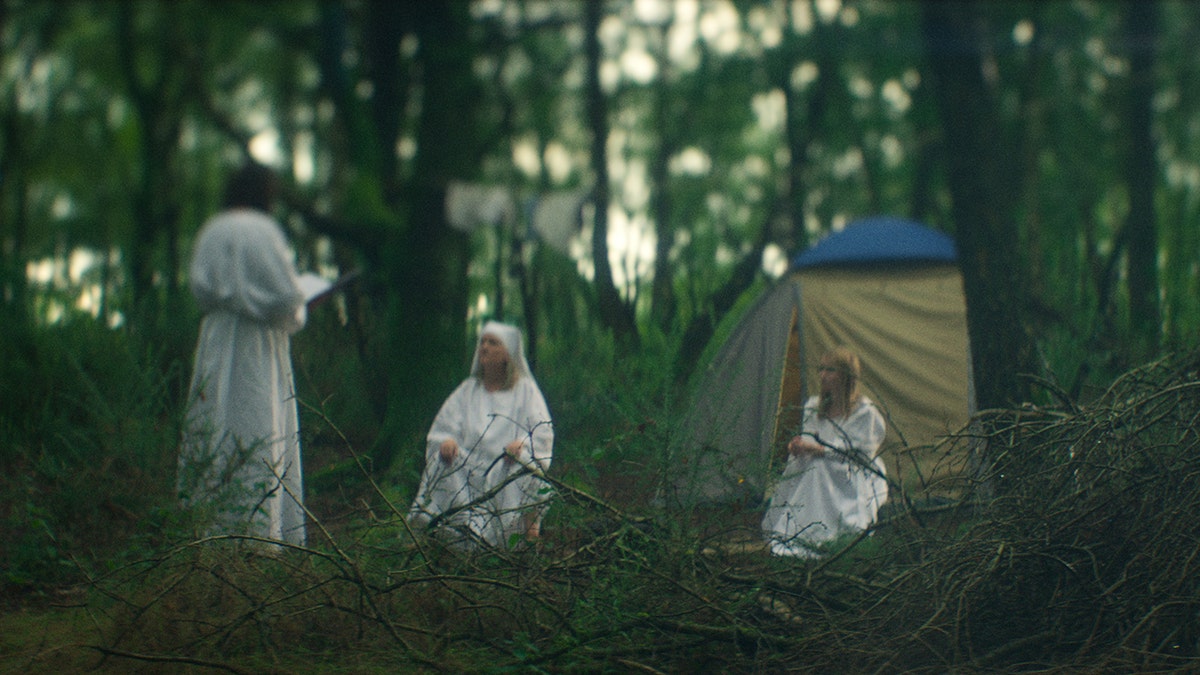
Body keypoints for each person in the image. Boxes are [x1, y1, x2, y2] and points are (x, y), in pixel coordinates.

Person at [178, 161, 309, 547]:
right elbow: (285, 295)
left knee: (214, 423)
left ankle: (208, 530)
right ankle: (258, 538)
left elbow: (199, 286)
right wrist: (300, 307)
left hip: (217, 340)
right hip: (257, 344)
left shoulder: (212, 230)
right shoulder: (262, 230)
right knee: (258, 427)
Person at [408, 321, 554, 549]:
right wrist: (447, 442)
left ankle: (524, 539)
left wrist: (522, 444)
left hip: (504, 468)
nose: (484, 347)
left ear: (507, 354)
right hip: (469, 468)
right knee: (442, 461)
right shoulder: (468, 390)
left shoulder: (525, 390)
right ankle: (455, 534)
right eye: (482, 342)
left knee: (526, 464)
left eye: (493, 343)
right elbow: (444, 429)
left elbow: (542, 433)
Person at [761, 346, 888, 558]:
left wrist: (819, 449)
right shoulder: (814, 406)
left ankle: (823, 533)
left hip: (850, 470)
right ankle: (798, 530)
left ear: (846, 376)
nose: (822, 375)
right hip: (817, 464)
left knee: (818, 467)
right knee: (801, 464)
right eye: (821, 369)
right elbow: (809, 440)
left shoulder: (865, 413)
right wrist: (798, 447)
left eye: (830, 370)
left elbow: (859, 453)